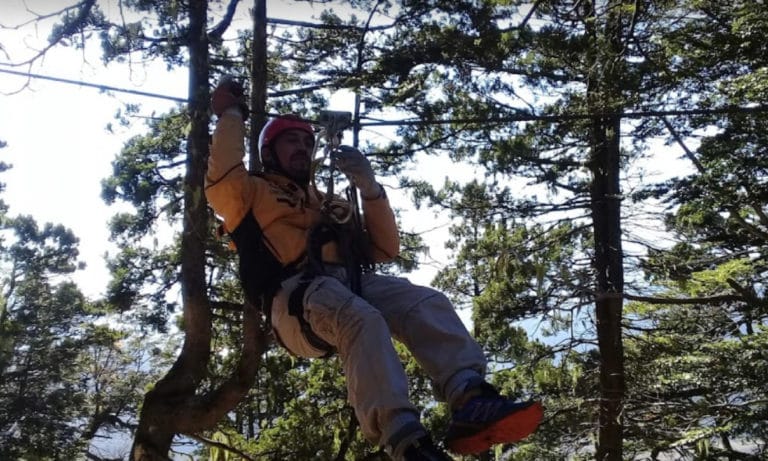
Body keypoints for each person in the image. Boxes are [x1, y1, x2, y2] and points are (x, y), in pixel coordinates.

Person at [205, 78, 543, 461]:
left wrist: (369, 188)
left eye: (306, 142)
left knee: (424, 302)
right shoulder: (249, 193)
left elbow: (384, 248)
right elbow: (221, 177)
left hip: (346, 286)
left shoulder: (327, 202)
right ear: (269, 151)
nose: (302, 148)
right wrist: (230, 114)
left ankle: (470, 397)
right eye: (291, 142)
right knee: (361, 317)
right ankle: (404, 437)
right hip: (294, 298)